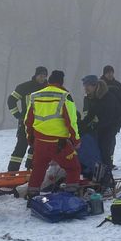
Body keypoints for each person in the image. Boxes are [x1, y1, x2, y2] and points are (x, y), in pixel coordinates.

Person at [24, 70, 82, 199]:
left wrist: (30, 139)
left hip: (40, 142)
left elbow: (28, 121)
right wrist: (76, 140)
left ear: (48, 81)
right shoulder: (65, 96)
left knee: (38, 169)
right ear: (61, 82)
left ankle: (32, 195)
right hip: (59, 143)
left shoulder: (35, 96)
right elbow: (72, 122)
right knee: (73, 167)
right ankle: (70, 195)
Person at [79, 75, 120, 188]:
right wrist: (80, 127)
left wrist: (94, 127)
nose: (85, 88)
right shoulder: (95, 98)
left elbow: (109, 118)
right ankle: (98, 177)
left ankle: (108, 180)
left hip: (110, 127)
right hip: (102, 128)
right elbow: (90, 115)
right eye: (84, 86)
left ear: (95, 85)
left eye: (87, 86)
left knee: (105, 153)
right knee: (98, 152)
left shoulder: (107, 97)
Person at [6, 66, 48, 172]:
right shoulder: (24, 87)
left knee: (36, 148)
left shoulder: (48, 88)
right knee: (21, 146)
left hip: (42, 124)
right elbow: (11, 100)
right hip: (26, 123)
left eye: (44, 76)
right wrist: (18, 115)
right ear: (36, 75)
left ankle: (31, 169)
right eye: (40, 76)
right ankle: (12, 171)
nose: (42, 78)